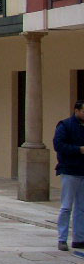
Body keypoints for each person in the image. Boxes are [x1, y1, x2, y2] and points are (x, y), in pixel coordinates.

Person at [53, 99, 84, 251]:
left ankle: (79, 238)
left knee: (81, 207)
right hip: (70, 170)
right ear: (76, 111)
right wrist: (78, 150)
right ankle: (62, 238)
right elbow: (58, 145)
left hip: (82, 170)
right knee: (66, 206)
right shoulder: (65, 125)